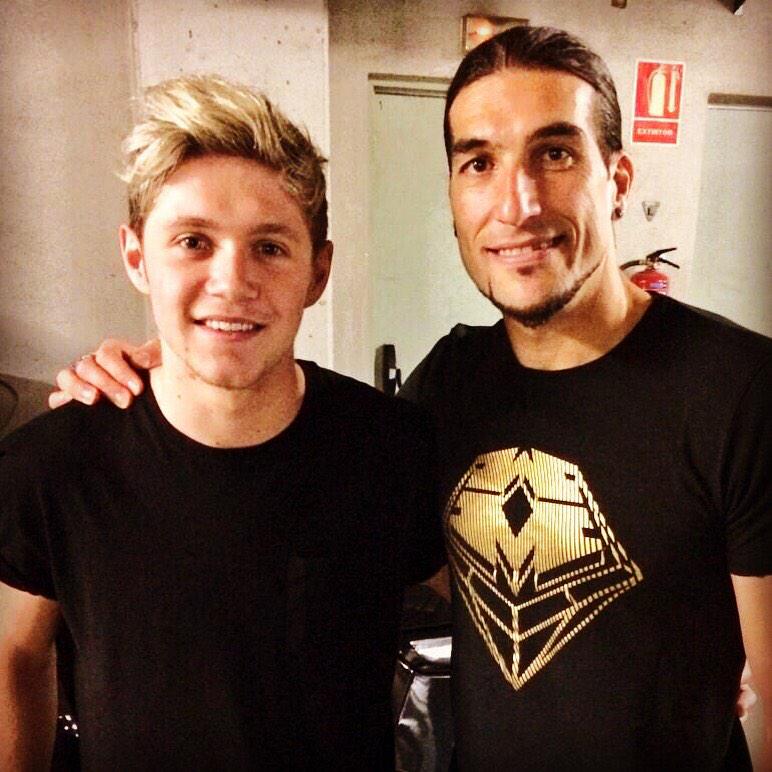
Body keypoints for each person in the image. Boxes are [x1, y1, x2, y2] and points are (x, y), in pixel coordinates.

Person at [49, 27, 770, 770]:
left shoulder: (741, 392)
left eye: (555, 154)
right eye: (479, 162)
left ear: (617, 181)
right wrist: (178, 364)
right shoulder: (449, 384)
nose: (518, 203)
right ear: (454, 195)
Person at [0, 74, 444, 770]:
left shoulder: (394, 450)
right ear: (137, 257)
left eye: (269, 247)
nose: (232, 282)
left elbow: (488, 616)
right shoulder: (52, 466)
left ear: (318, 272)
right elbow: (15, 654)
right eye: (193, 241)